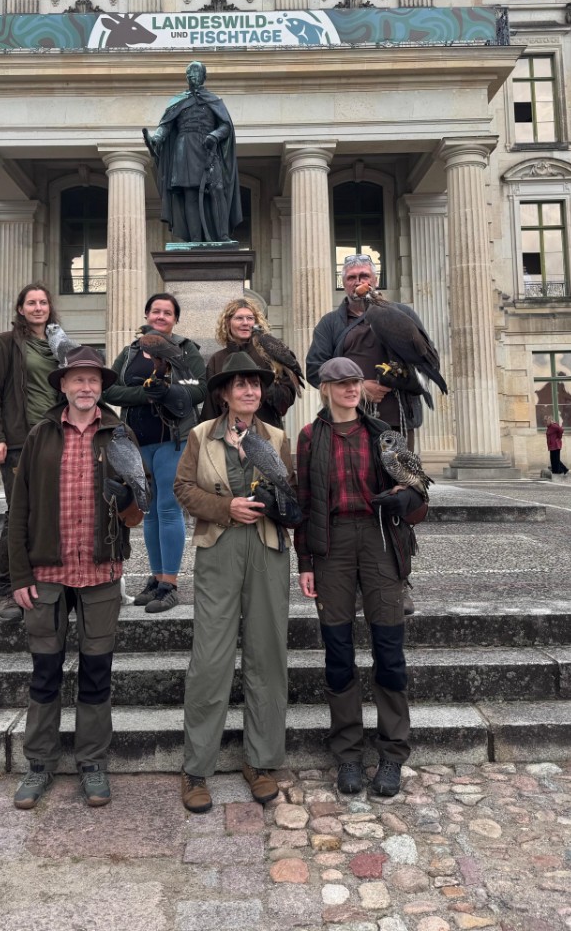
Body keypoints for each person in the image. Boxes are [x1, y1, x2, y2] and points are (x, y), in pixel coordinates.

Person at [8, 346, 142, 810]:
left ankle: (92, 762)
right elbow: (19, 508)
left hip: (101, 569)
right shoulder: (42, 434)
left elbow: (138, 512)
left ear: (102, 387)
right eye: (77, 379)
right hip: (47, 569)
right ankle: (39, 763)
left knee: (97, 671)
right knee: (45, 671)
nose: (86, 387)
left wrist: (128, 499)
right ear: (63, 385)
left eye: (93, 380)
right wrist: (18, 574)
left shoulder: (120, 434)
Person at [295, 357, 427, 799]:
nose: (351, 389)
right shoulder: (310, 437)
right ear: (326, 389)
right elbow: (305, 502)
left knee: (388, 650)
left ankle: (392, 752)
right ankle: (348, 753)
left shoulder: (382, 433)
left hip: (379, 541)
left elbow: (418, 492)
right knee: (338, 652)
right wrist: (305, 562)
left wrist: (407, 499)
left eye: (355, 382)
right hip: (331, 545)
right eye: (342, 383)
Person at [173, 352, 298, 814]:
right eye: (241, 384)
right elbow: (183, 489)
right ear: (224, 393)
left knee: (268, 655)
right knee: (210, 658)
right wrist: (227, 507)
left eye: (256, 385)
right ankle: (196, 768)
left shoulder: (277, 438)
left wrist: (271, 501)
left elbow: (293, 492)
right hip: (219, 547)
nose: (250, 391)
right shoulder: (201, 435)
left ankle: (261, 761)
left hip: (267, 549)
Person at [103, 292, 207, 612]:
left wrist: (169, 391)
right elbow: (109, 389)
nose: (161, 316)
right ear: (147, 315)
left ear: (175, 320)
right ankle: (156, 576)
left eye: (167, 313)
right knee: (148, 511)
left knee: (168, 508)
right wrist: (147, 395)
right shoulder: (130, 351)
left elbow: (201, 388)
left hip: (173, 439)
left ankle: (169, 584)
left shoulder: (186, 349)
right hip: (138, 441)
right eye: (156, 311)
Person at [0, 282, 60, 622]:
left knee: (50, 512)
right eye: (31, 303)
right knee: (19, 514)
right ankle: (5, 589)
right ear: (20, 309)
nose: (38, 308)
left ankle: (40, 580)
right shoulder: (6, 343)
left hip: (53, 439)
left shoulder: (57, 344)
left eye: (43, 302)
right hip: (17, 442)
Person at [306, 254, 438, 453]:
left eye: (364, 276)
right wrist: (358, 389)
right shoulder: (330, 323)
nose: (358, 282)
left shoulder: (403, 314)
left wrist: (398, 379)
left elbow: (428, 362)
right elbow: (314, 370)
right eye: (351, 277)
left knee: (397, 473)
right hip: (348, 422)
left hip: (397, 422)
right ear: (344, 284)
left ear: (375, 280)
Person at [142, 60, 242, 243]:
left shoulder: (214, 100)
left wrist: (215, 135)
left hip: (208, 148)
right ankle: (194, 239)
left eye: (196, 72)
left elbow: (226, 126)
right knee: (190, 194)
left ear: (204, 76)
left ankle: (222, 235)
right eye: (189, 73)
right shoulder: (177, 101)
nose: (192, 75)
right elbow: (165, 126)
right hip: (184, 149)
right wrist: (156, 138)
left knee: (217, 188)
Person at [200, 297, 299, 429]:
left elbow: (286, 401)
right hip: (228, 434)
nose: (245, 323)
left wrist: (262, 384)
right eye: (239, 318)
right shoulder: (217, 359)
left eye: (250, 318)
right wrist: (208, 436)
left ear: (256, 323)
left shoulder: (268, 353)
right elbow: (210, 408)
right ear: (228, 323)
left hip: (266, 431)